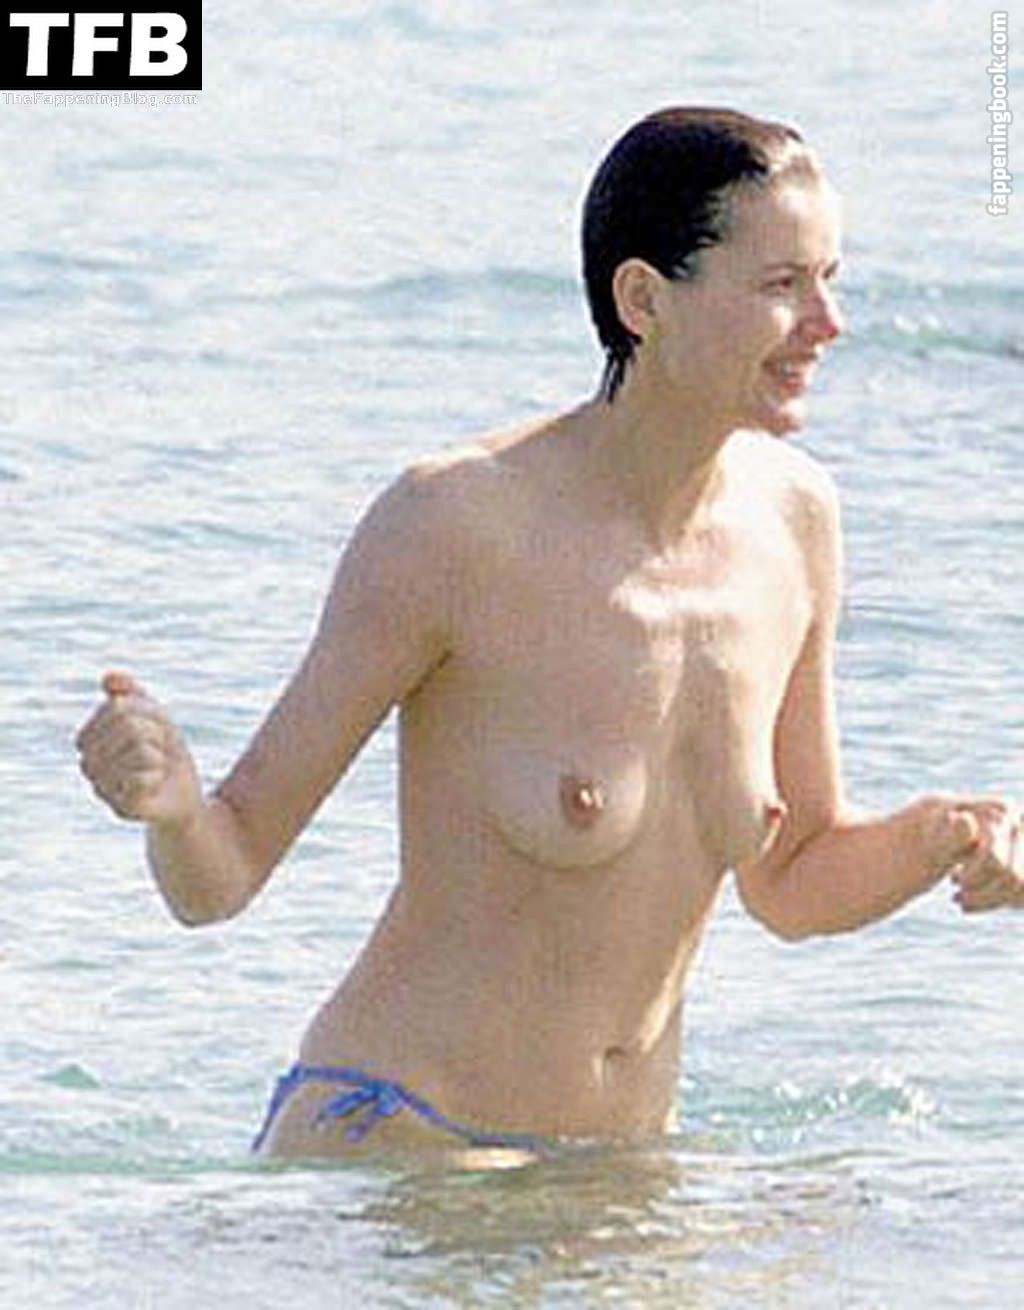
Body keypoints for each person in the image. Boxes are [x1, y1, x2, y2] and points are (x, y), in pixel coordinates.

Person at [76, 107, 1023, 1160]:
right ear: (642, 300)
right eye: (782, 284)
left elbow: (793, 879)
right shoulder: (456, 525)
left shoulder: (795, 523)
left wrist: (945, 835)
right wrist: (172, 808)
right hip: (405, 1135)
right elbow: (222, 874)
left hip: (616, 1168)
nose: (827, 322)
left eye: (829, 278)